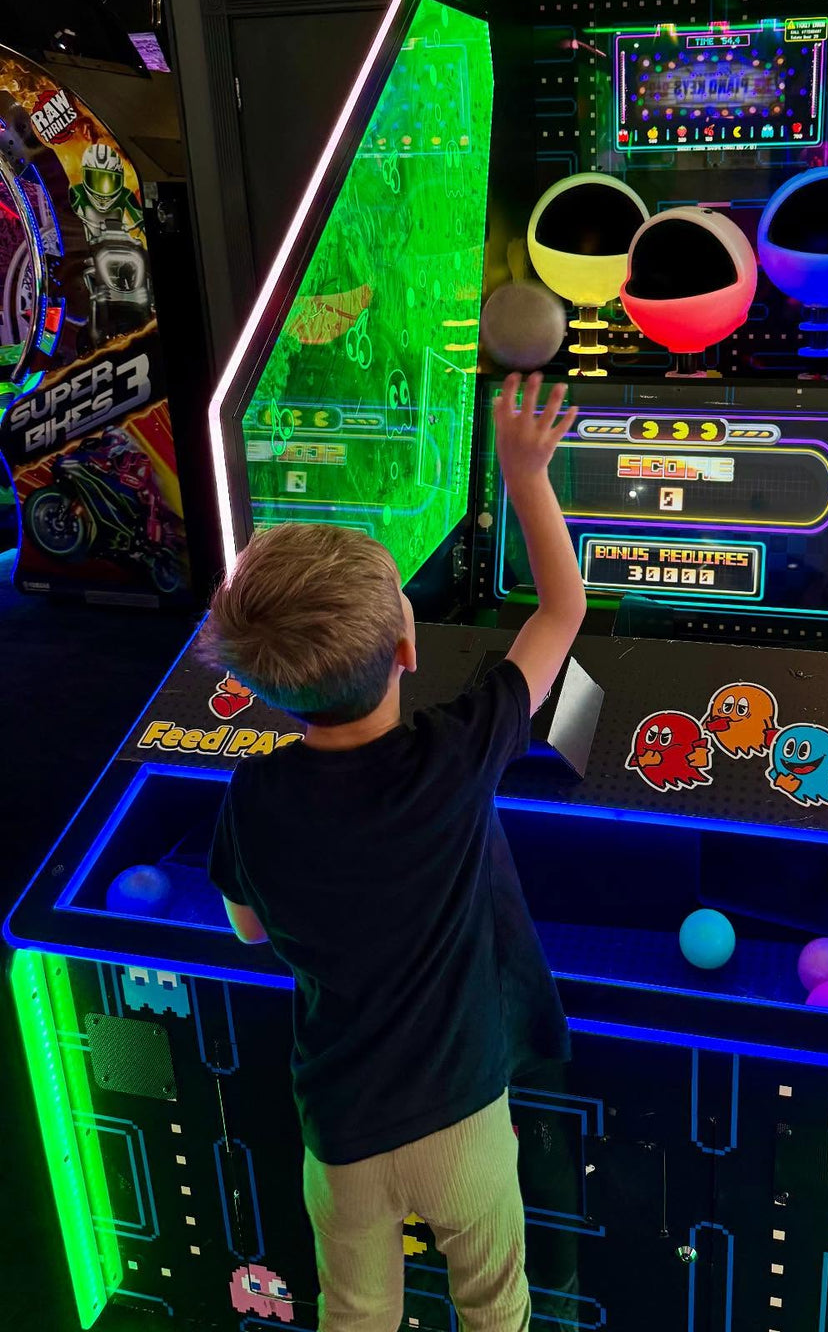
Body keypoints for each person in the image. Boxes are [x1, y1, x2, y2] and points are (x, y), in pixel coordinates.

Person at [202, 371, 584, 1332]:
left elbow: (248, 930)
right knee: (496, 1306)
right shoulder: (455, 756)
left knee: (355, 1311)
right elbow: (560, 615)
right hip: (461, 1113)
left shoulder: (255, 793)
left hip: (340, 1128)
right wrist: (525, 474)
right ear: (409, 648)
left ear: (266, 687)